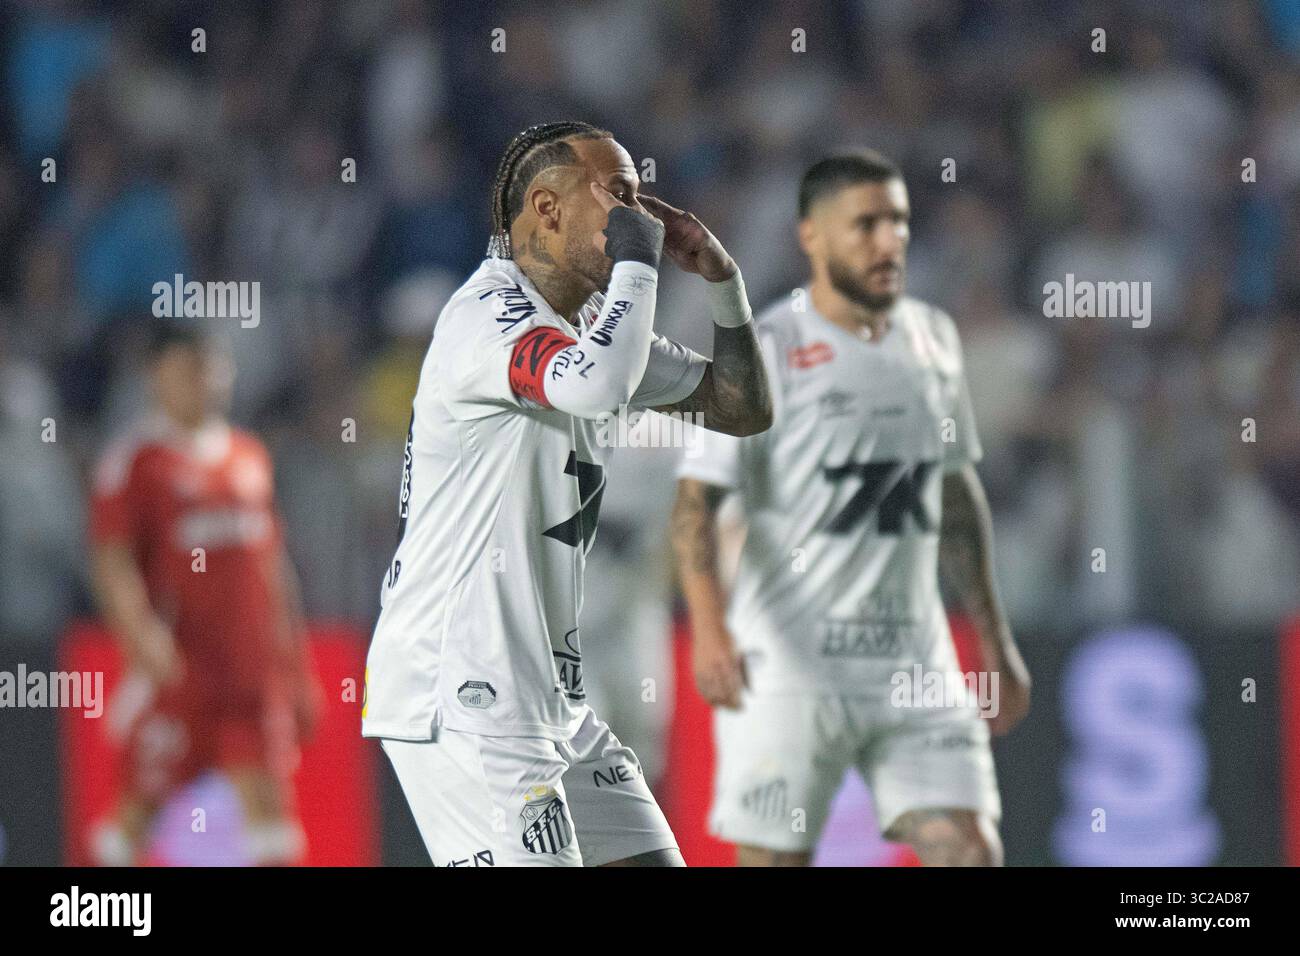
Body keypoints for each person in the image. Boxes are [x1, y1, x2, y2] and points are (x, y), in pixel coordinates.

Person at [362, 121, 771, 867]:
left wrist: (723, 282)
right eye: (616, 193)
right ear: (545, 208)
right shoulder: (486, 318)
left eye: (639, 198)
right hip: (463, 691)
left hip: (550, 699)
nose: (637, 213)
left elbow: (743, 407)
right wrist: (640, 265)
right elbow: (591, 385)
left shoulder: (589, 332)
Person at [671, 151, 1030, 866]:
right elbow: (695, 507)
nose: (888, 240)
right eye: (865, 224)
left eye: (898, 221)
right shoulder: (766, 347)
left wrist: (995, 639)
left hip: (912, 657)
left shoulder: (934, 337)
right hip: (790, 663)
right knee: (776, 859)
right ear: (812, 237)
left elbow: (955, 496)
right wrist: (709, 628)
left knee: (969, 849)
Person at [89, 321, 320, 866]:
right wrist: (140, 636)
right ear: (157, 378)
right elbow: (113, 559)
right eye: (191, 368)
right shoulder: (136, 462)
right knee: (138, 812)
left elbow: (271, 564)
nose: (207, 380)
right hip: (181, 672)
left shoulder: (248, 456)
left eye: (215, 367)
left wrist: (296, 662)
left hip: (250, 675)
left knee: (272, 818)